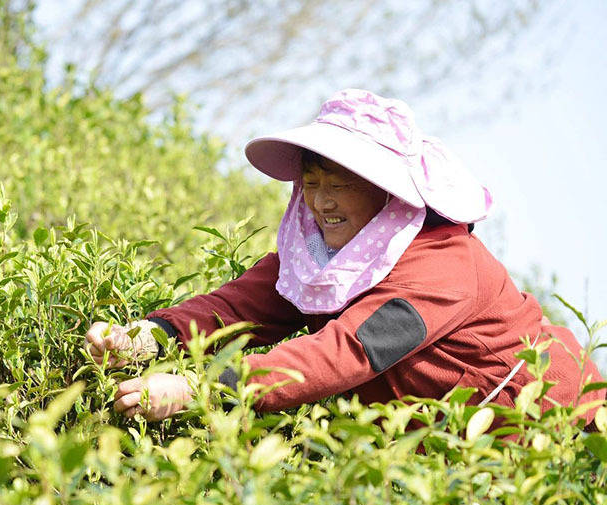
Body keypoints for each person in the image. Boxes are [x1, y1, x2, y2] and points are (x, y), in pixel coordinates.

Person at [84, 88, 605, 424]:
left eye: (340, 186)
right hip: (445, 443)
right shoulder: (320, 257)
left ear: (388, 194)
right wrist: (147, 338)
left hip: (557, 428)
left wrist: (203, 388)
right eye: (312, 183)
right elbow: (241, 306)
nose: (322, 201)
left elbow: (345, 352)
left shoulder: (443, 263)